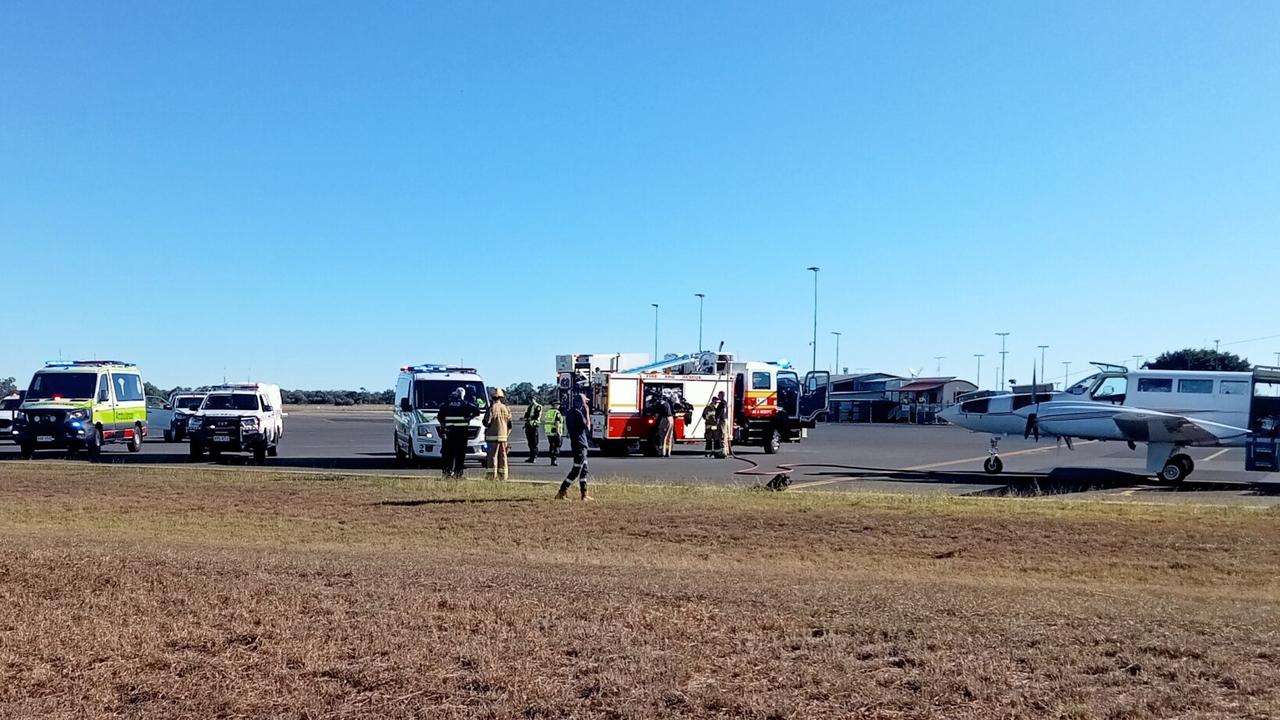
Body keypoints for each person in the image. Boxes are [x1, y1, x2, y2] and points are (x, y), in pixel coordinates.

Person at [437, 387, 480, 478]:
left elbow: (440, 418)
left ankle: (447, 472)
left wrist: (443, 428)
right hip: (462, 433)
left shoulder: (446, 404)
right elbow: (477, 411)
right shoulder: (465, 404)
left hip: (449, 433)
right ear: (462, 395)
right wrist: (469, 417)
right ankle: (458, 473)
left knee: (448, 454)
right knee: (460, 454)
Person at [556, 391, 592, 500]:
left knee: (584, 469)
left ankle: (584, 494)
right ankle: (562, 491)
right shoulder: (578, 413)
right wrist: (587, 413)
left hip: (578, 444)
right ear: (580, 403)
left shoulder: (570, 413)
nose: (585, 405)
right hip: (580, 444)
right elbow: (588, 427)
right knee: (577, 469)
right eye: (584, 403)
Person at [484, 387, 513, 480]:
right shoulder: (506, 408)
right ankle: (503, 476)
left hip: (492, 437)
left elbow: (486, 422)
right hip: (503, 437)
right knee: (503, 456)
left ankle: (491, 476)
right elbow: (510, 424)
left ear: (492, 397)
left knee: (492, 456)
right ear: (501, 397)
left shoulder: (492, 408)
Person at [703, 391, 728, 458]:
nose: (716, 403)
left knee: (716, 440)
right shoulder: (709, 408)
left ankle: (717, 453)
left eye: (717, 402)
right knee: (711, 440)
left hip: (714, 426)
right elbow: (704, 416)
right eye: (715, 402)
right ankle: (711, 453)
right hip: (710, 427)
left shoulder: (719, 406)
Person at [653, 391, 674, 457]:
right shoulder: (668, 404)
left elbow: (657, 414)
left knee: (662, 437)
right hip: (670, 419)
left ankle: (663, 452)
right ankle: (668, 452)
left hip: (664, 419)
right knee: (669, 437)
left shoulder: (661, 405)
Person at [523, 396, 543, 463]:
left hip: (533, 426)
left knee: (534, 442)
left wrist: (528, 419)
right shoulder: (529, 407)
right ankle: (531, 457)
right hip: (528, 426)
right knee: (530, 443)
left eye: (531, 399)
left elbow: (536, 416)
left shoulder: (537, 406)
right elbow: (526, 415)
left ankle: (534, 457)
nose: (530, 401)